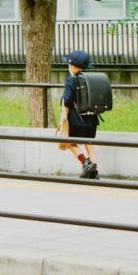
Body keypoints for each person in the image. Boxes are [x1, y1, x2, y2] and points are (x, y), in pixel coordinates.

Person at [60, 50, 100, 179]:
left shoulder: (71, 80)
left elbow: (67, 100)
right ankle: (94, 173)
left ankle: (85, 163)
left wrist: (62, 100)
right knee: (89, 144)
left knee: (69, 142)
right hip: (92, 119)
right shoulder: (91, 79)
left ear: (72, 66)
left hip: (77, 120)